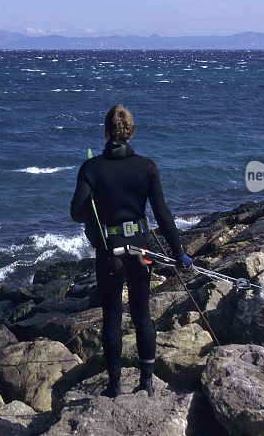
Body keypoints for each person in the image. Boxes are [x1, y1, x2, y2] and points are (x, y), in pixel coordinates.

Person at [70, 104, 193, 397]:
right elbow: (163, 214)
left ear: (105, 132)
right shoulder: (147, 167)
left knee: (112, 317)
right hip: (141, 249)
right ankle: (146, 381)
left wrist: (95, 203)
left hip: (109, 250)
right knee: (142, 315)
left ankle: (114, 385)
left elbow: (76, 212)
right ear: (131, 133)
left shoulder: (91, 168)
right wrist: (179, 253)